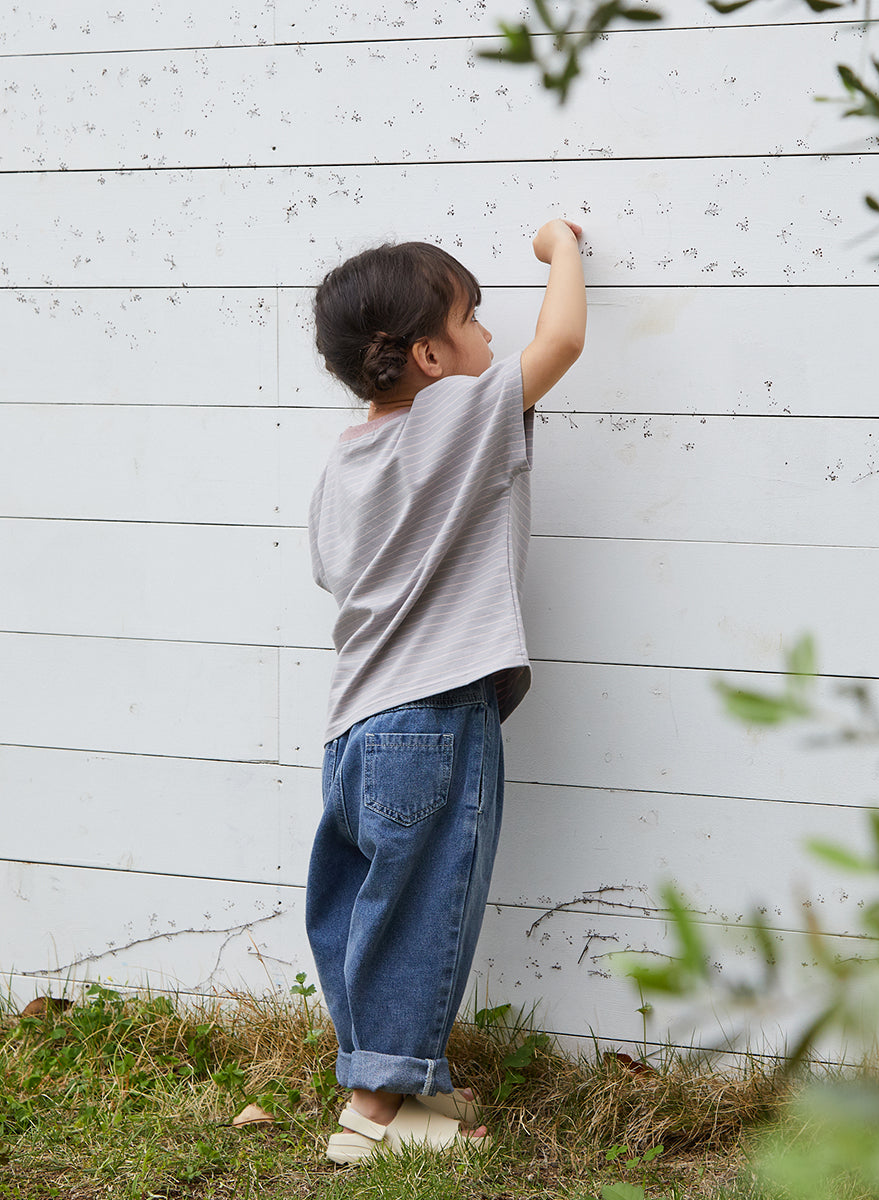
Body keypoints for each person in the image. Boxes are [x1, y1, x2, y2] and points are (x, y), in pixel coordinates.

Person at [305, 218, 587, 1165]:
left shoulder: (345, 460)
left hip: (356, 725)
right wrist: (562, 251)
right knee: (425, 908)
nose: (490, 335)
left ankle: (406, 1094)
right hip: (433, 716)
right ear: (430, 355)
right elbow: (563, 344)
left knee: (358, 909)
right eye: (473, 318)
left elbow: (331, 573)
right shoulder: (456, 417)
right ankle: (373, 1116)